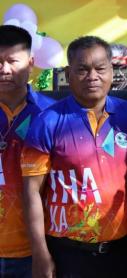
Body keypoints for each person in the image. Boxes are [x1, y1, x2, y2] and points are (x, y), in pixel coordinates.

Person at [21, 36, 127, 278]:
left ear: (112, 71)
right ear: (68, 74)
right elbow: (31, 192)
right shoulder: (47, 121)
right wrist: (40, 254)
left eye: (100, 68)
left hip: (120, 252)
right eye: (82, 70)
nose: (92, 76)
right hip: (67, 255)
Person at [0, 25, 55, 277]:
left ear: (31, 63)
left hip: (36, 250)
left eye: (12, 61)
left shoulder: (51, 114)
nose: (4, 70)